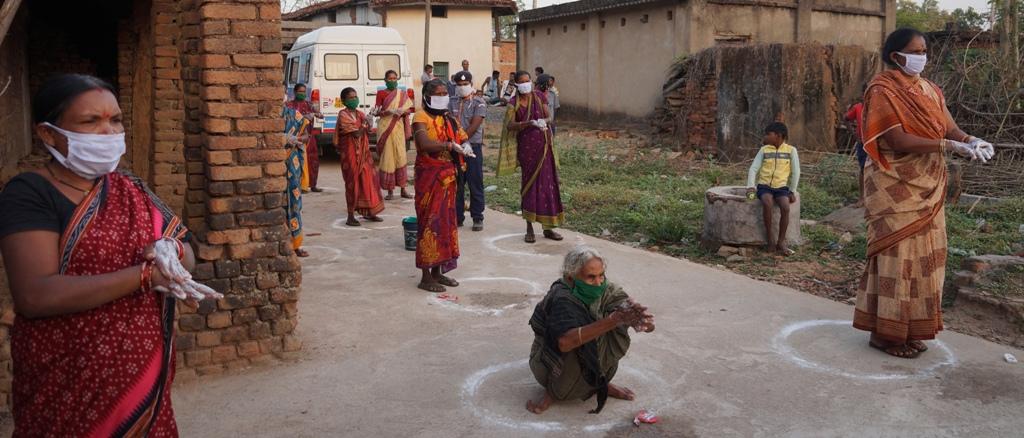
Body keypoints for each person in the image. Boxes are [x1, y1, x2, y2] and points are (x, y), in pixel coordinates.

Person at [0, 73, 218, 435]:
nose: (108, 132)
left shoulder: (130, 187)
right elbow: (36, 295)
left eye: (115, 120)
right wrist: (145, 276)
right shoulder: (29, 194)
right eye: (90, 122)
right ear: (48, 134)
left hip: (138, 376)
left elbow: (187, 253)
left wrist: (172, 250)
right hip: (68, 378)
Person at [853, 28, 994, 359]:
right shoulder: (882, 89)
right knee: (896, 259)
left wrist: (971, 140)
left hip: (929, 187)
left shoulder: (930, 90)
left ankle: (909, 329)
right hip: (894, 186)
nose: (922, 57)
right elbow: (897, 141)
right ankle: (884, 333)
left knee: (927, 258)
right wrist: (948, 146)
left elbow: (950, 127)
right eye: (915, 51)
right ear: (895, 55)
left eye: (925, 50)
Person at [526, 246, 655, 415]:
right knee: (579, 341)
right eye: (591, 277)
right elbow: (564, 343)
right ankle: (553, 391)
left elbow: (626, 307)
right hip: (550, 364)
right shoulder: (561, 297)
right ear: (571, 277)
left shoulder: (607, 289)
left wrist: (642, 321)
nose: (599, 282)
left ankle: (600, 382)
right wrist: (613, 320)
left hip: (588, 358)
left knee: (610, 333)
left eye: (601, 275)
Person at [412, 79, 474, 292]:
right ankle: (426, 276)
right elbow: (423, 144)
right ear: (427, 97)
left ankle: (439, 272)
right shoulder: (420, 117)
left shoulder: (449, 118)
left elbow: (463, 137)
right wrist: (448, 145)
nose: (442, 97)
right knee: (430, 222)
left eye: (444, 93)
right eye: (437, 94)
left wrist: (464, 145)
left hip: (448, 180)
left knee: (446, 224)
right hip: (430, 179)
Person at [498, 70, 565, 243]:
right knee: (530, 186)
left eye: (528, 80)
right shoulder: (514, 103)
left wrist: (544, 122)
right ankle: (529, 228)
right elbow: (510, 126)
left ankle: (549, 227)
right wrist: (528, 123)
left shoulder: (539, 97)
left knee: (548, 185)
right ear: (517, 85)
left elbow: (548, 116)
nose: (526, 84)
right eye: (522, 81)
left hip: (545, 146)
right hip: (528, 151)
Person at [745, 122, 800, 256]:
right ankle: (770, 238)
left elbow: (796, 172)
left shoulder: (791, 150)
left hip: (781, 187)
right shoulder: (764, 150)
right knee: (767, 202)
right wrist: (751, 187)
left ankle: (781, 242)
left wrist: (792, 191)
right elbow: (753, 169)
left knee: (785, 207)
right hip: (765, 186)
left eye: (768, 134)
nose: (765, 137)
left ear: (778, 136)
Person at [334, 87, 385, 226]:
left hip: (364, 152)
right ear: (344, 100)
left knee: (369, 179)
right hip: (350, 153)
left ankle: (370, 211)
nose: (354, 99)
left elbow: (367, 131)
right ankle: (350, 215)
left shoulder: (360, 113)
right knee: (352, 183)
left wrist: (370, 121)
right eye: (351, 97)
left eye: (355, 96)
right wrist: (365, 123)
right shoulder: (343, 115)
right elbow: (356, 133)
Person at [450, 71, 488, 231]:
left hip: (472, 147)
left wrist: (464, 141)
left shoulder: (479, 102)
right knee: (457, 183)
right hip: (455, 147)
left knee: (475, 182)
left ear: (471, 84)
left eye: (465, 85)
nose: (462, 87)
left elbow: (475, 123)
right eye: (459, 85)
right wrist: (456, 142)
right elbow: (448, 122)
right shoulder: (450, 102)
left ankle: (477, 216)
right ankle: (457, 216)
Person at [373, 70, 415, 200]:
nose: (392, 80)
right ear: (385, 80)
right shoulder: (381, 93)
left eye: (394, 78)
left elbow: (411, 108)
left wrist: (402, 111)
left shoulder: (401, 94)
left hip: (398, 127)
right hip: (385, 127)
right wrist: (388, 111)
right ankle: (390, 191)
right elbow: (377, 111)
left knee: (401, 156)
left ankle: (403, 189)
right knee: (388, 157)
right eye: (390, 78)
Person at [283, 95, 311, 257]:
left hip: (292, 165)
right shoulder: (266, 116)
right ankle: (281, 242)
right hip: (275, 164)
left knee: (294, 203)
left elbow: (306, 135)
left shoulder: (294, 115)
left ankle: (295, 243)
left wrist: (298, 139)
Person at [285, 84, 323, 192]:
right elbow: (288, 118)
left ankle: (313, 184)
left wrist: (316, 113)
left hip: (309, 137)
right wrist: (303, 116)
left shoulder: (309, 104)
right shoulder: (289, 105)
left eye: (304, 92)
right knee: (297, 161)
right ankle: (300, 184)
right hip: (296, 138)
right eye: (300, 91)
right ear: (295, 92)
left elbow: (320, 115)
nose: (302, 94)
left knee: (313, 161)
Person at [844, 90, 867, 205]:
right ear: (863, 94)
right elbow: (846, 119)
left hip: (876, 143)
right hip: (863, 143)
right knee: (863, 169)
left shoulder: (878, 107)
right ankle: (862, 197)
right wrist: (854, 134)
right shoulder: (858, 108)